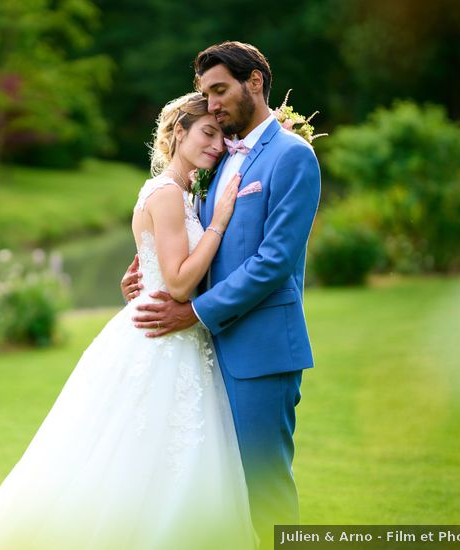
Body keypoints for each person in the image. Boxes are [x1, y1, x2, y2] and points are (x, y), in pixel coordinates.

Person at [0, 92, 257, 549]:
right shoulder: (167, 194)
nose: (217, 145)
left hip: (170, 333)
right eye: (208, 133)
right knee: (138, 456)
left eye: (222, 136)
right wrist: (218, 223)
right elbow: (178, 284)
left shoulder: (177, 191)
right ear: (179, 132)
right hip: (162, 337)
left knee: (158, 460)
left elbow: (160, 260)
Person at [122, 41, 321, 548]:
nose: (211, 104)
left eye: (219, 90)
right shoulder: (218, 159)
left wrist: (194, 312)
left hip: (259, 349)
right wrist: (146, 276)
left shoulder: (292, 157)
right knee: (212, 490)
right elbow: (194, 237)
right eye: (205, 94)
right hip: (207, 357)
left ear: (254, 82)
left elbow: (273, 263)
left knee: (263, 488)